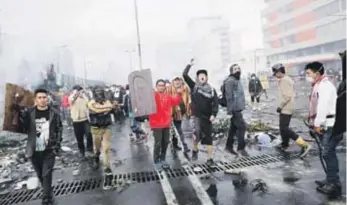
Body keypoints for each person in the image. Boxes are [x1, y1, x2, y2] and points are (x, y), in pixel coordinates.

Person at [305, 61, 341, 196]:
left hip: (330, 125)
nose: (307, 76)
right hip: (326, 124)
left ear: (317, 73)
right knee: (327, 153)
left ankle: (334, 183)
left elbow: (323, 107)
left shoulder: (324, 86)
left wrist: (317, 124)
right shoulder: (318, 85)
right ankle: (330, 179)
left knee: (328, 153)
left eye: (308, 73)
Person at [24, 88, 63, 205]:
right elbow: (22, 127)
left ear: (48, 98)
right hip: (34, 149)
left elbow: (59, 128)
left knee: (47, 173)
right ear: (35, 99)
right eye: (39, 98)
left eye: (44, 97)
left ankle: (46, 198)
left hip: (49, 148)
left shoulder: (54, 113)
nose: (42, 100)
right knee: (40, 173)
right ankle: (47, 189)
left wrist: (57, 144)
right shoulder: (29, 112)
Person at [183, 59, 219, 166]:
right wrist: (189, 64)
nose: (202, 77)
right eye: (200, 75)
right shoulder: (194, 87)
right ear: (198, 78)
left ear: (207, 77)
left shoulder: (212, 90)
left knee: (208, 137)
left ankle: (209, 158)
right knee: (197, 134)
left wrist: (213, 114)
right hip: (197, 116)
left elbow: (215, 104)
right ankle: (195, 150)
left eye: (204, 75)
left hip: (208, 117)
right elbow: (184, 75)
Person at [272, 63, 311, 157]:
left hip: (285, 107)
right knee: (283, 128)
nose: (275, 75)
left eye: (275, 73)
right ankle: (284, 144)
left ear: (279, 72)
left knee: (285, 128)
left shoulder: (284, 80)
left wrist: (280, 106)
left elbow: (287, 96)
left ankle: (304, 145)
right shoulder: (286, 79)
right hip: (287, 106)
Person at [149, 79, 182, 169]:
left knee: (166, 142)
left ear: (165, 87)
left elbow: (175, 101)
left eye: (163, 85)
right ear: (156, 86)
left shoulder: (167, 97)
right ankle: (156, 160)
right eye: (159, 85)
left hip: (166, 124)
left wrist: (179, 94)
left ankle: (163, 158)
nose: (161, 87)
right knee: (158, 142)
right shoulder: (152, 96)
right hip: (156, 124)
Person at [87, 86, 113, 173]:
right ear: (94, 93)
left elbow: (110, 108)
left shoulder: (107, 101)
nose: (99, 94)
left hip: (106, 127)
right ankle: (96, 158)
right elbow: (96, 110)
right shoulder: (91, 102)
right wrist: (106, 108)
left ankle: (107, 166)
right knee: (97, 148)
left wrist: (107, 108)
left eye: (101, 92)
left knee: (106, 148)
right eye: (97, 92)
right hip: (96, 128)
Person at [223, 64, 248, 156]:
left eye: (238, 68)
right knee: (242, 127)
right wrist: (229, 111)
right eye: (235, 69)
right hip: (234, 109)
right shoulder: (230, 81)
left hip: (237, 108)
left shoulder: (237, 80)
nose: (237, 70)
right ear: (231, 71)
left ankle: (228, 147)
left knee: (233, 128)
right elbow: (229, 97)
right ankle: (241, 148)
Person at [166, 77, 191, 153]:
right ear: (173, 82)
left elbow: (187, 101)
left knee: (179, 130)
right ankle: (176, 145)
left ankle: (183, 146)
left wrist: (188, 112)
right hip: (169, 113)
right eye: (175, 82)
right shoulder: (169, 89)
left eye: (178, 82)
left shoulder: (184, 89)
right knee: (173, 131)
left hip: (178, 114)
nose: (177, 83)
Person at [69, 85, 93, 159]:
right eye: (78, 90)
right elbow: (72, 101)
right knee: (79, 138)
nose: (80, 92)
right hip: (76, 121)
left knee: (89, 134)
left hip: (85, 119)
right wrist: (76, 95)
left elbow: (88, 103)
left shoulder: (84, 97)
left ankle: (89, 149)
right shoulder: (70, 97)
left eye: (80, 90)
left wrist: (83, 96)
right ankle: (81, 152)